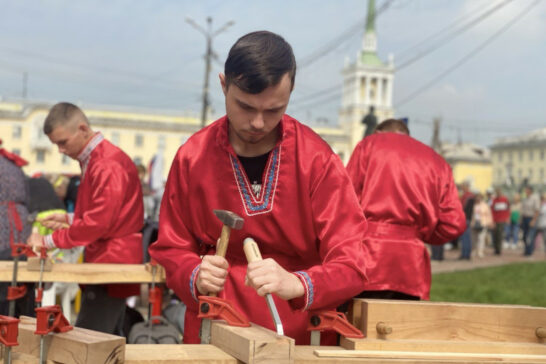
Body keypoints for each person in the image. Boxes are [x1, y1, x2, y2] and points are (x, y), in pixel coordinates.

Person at [148, 31, 368, 345]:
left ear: (290, 91)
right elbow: (170, 248)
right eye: (246, 107)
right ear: (224, 85)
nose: (258, 123)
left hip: (298, 334)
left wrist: (297, 283)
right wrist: (193, 273)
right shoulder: (193, 157)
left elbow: (352, 263)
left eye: (274, 110)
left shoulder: (317, 160)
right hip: (215, 326)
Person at [27, 102, 144, 335]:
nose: (60, 150)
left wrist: (48, 241)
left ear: (82, 129)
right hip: (111, 258)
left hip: (110, 262)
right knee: (107, 337)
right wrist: (70, 218)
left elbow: (98, 223)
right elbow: (108, 214)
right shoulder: (99, 159)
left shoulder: (105, 163)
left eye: (62, 142)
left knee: (89, 340)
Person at [346, 119, 465, 300]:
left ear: (378, 133)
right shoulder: (436, 161)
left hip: (366, 257)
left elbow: (343, 201)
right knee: (405, 325)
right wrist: (419, 234)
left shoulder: (368, 146)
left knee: (356, 325)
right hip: (411, 266)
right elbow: (454, 223)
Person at [0, 139, 35, 317]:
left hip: (3, 228)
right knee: (20, 280)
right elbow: (27, 198)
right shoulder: (13, 164)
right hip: (20, 228)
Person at [470, 193, 493, 258]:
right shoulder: (473, 205)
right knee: (473, 238)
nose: (478, 199)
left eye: (479, 197)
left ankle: (480, 251)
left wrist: (490, 222)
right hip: (474, 223)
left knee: (481, 238)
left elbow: (489, 214)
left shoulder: (485, 205)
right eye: (477, 197)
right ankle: (473, 251)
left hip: (483, 223)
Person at [521, 186, 540, 256]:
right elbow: (523, 210)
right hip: (525, 218)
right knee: (524, 236)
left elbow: (537, 210)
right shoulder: (525, 199)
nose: (525, 191)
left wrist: (533, 220)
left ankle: (529, 251)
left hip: (531, 218)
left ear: (530, 191)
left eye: (527, 190)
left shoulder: (535, 198)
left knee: (530, 236)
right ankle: (526, 250)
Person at [491, 187, 510, 255]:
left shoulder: (505, 199)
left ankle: (498, 249)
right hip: (495, 220)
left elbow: (507, 209)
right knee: (495, 235)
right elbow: (492, 210)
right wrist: (492, 220)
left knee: (499, 235)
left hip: (502, 220)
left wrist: (507, 218)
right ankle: (496, 248)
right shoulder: (494, 200)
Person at [458, 181, 475, 260]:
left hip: (465, 218)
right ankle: (466, 254)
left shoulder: (467, 196)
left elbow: (462, 207)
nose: (462, 188)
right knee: (466, 237)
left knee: (465, 237)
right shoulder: (469, 196)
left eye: (462, 187)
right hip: (467, 218)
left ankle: (465, 254)